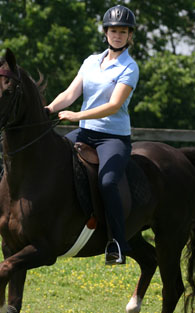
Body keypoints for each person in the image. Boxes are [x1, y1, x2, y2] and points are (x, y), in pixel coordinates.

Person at [46, 5, 139, 265]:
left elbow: (114, 105)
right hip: (85, 133)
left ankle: (118, 243)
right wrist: (50, 109)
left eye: (123, 31)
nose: (117, 35)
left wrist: (77, 116)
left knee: (108, 182)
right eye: (113, 30)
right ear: (106, 33)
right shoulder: (90, 62)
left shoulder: (130, 67)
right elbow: (70, 94)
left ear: (130, 35)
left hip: (113, 137)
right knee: (53, 162)